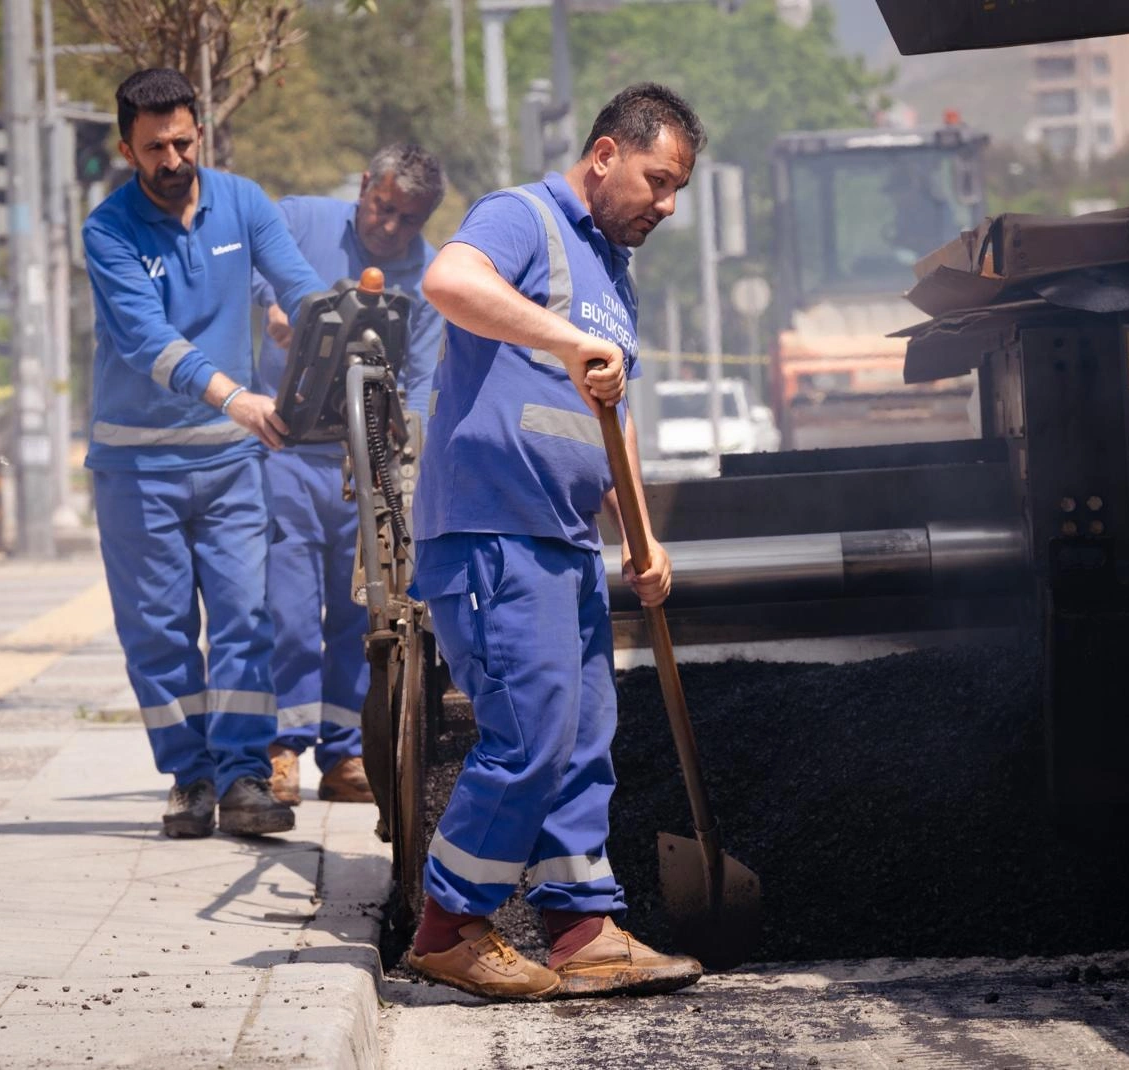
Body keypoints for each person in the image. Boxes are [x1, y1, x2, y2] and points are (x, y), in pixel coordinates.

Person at [406, 82, 707, 1001]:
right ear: (607, 153)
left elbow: (614, 427)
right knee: (529, 732)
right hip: (495, 528)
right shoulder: (521, 217)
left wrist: (643, 540)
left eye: (677, 192)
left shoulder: (614, 278)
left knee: (581, 742)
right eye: (656, 181)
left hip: (565, 537)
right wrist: (566, 338)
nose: (663, 206)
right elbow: (449, 282)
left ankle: (582, 929)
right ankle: (447, 926)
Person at [82, 68, 325, 839]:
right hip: (137, 469)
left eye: (182, 140)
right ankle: (189, 778)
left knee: (247, 620)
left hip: (229, 467)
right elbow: (150, 343)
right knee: (157, 631)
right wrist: (236, 397)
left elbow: (300, 284)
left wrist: (307, 321)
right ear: (128, 149)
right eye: (154, 146)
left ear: (200, 135)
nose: (171, 157)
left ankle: (247, 776)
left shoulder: (244, 203)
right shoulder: (107, 231)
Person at [251, 145, 447, 806]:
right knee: (289, 610)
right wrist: (272, 306)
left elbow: (420, 378)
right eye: (382, 206)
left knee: (358, 615)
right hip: (287, 453)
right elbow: (244, 258)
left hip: (363, 467)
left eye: (407, 220)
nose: (389, 227)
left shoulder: (425, 277)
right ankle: (280, 749)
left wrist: (407, 449)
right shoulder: (302, 220)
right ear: (365, 185)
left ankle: (344, 755)